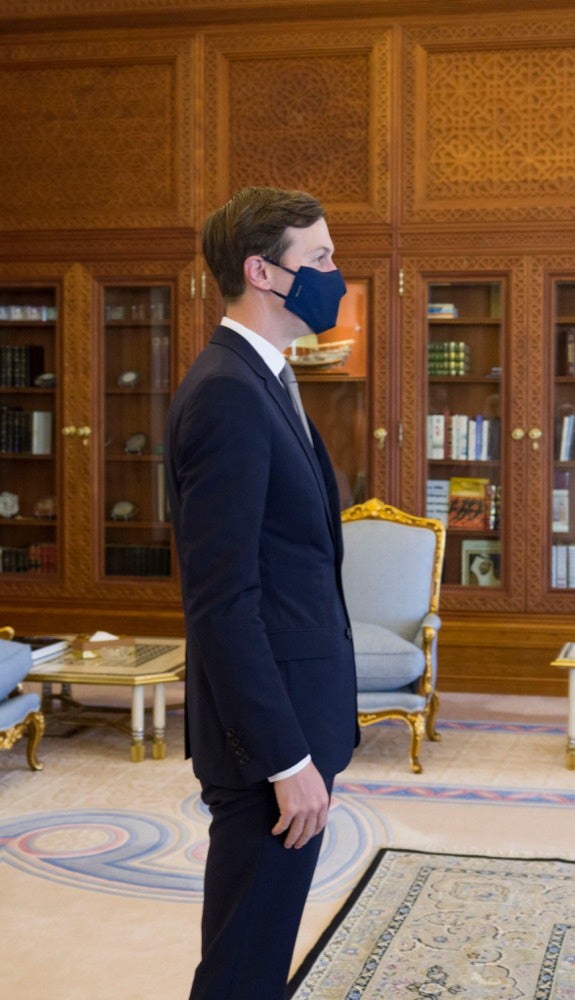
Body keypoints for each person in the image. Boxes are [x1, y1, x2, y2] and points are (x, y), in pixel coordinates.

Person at [165, 186, 359, 1000]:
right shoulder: (227, 392)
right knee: (244, 963)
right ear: (263, 272)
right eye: (318, 259)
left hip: (293, 719)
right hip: (267, 745)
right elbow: (222, 601)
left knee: (258, 948)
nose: (334, 275)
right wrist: (285, 758)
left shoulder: (267, 377)